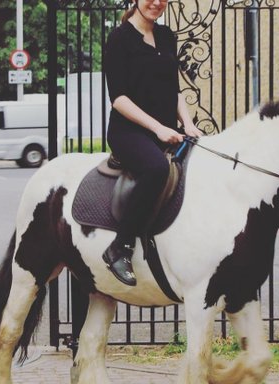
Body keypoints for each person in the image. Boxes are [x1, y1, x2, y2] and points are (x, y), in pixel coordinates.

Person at [101, 0, 202, 286]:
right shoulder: (119, 39)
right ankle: (120, 247)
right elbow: (118, 98)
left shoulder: (167, 35)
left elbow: (175, 90)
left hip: (167, 130)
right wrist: (157, 128)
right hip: (129, 132)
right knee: (157, 169)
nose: (156, 3)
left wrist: (189, 124)